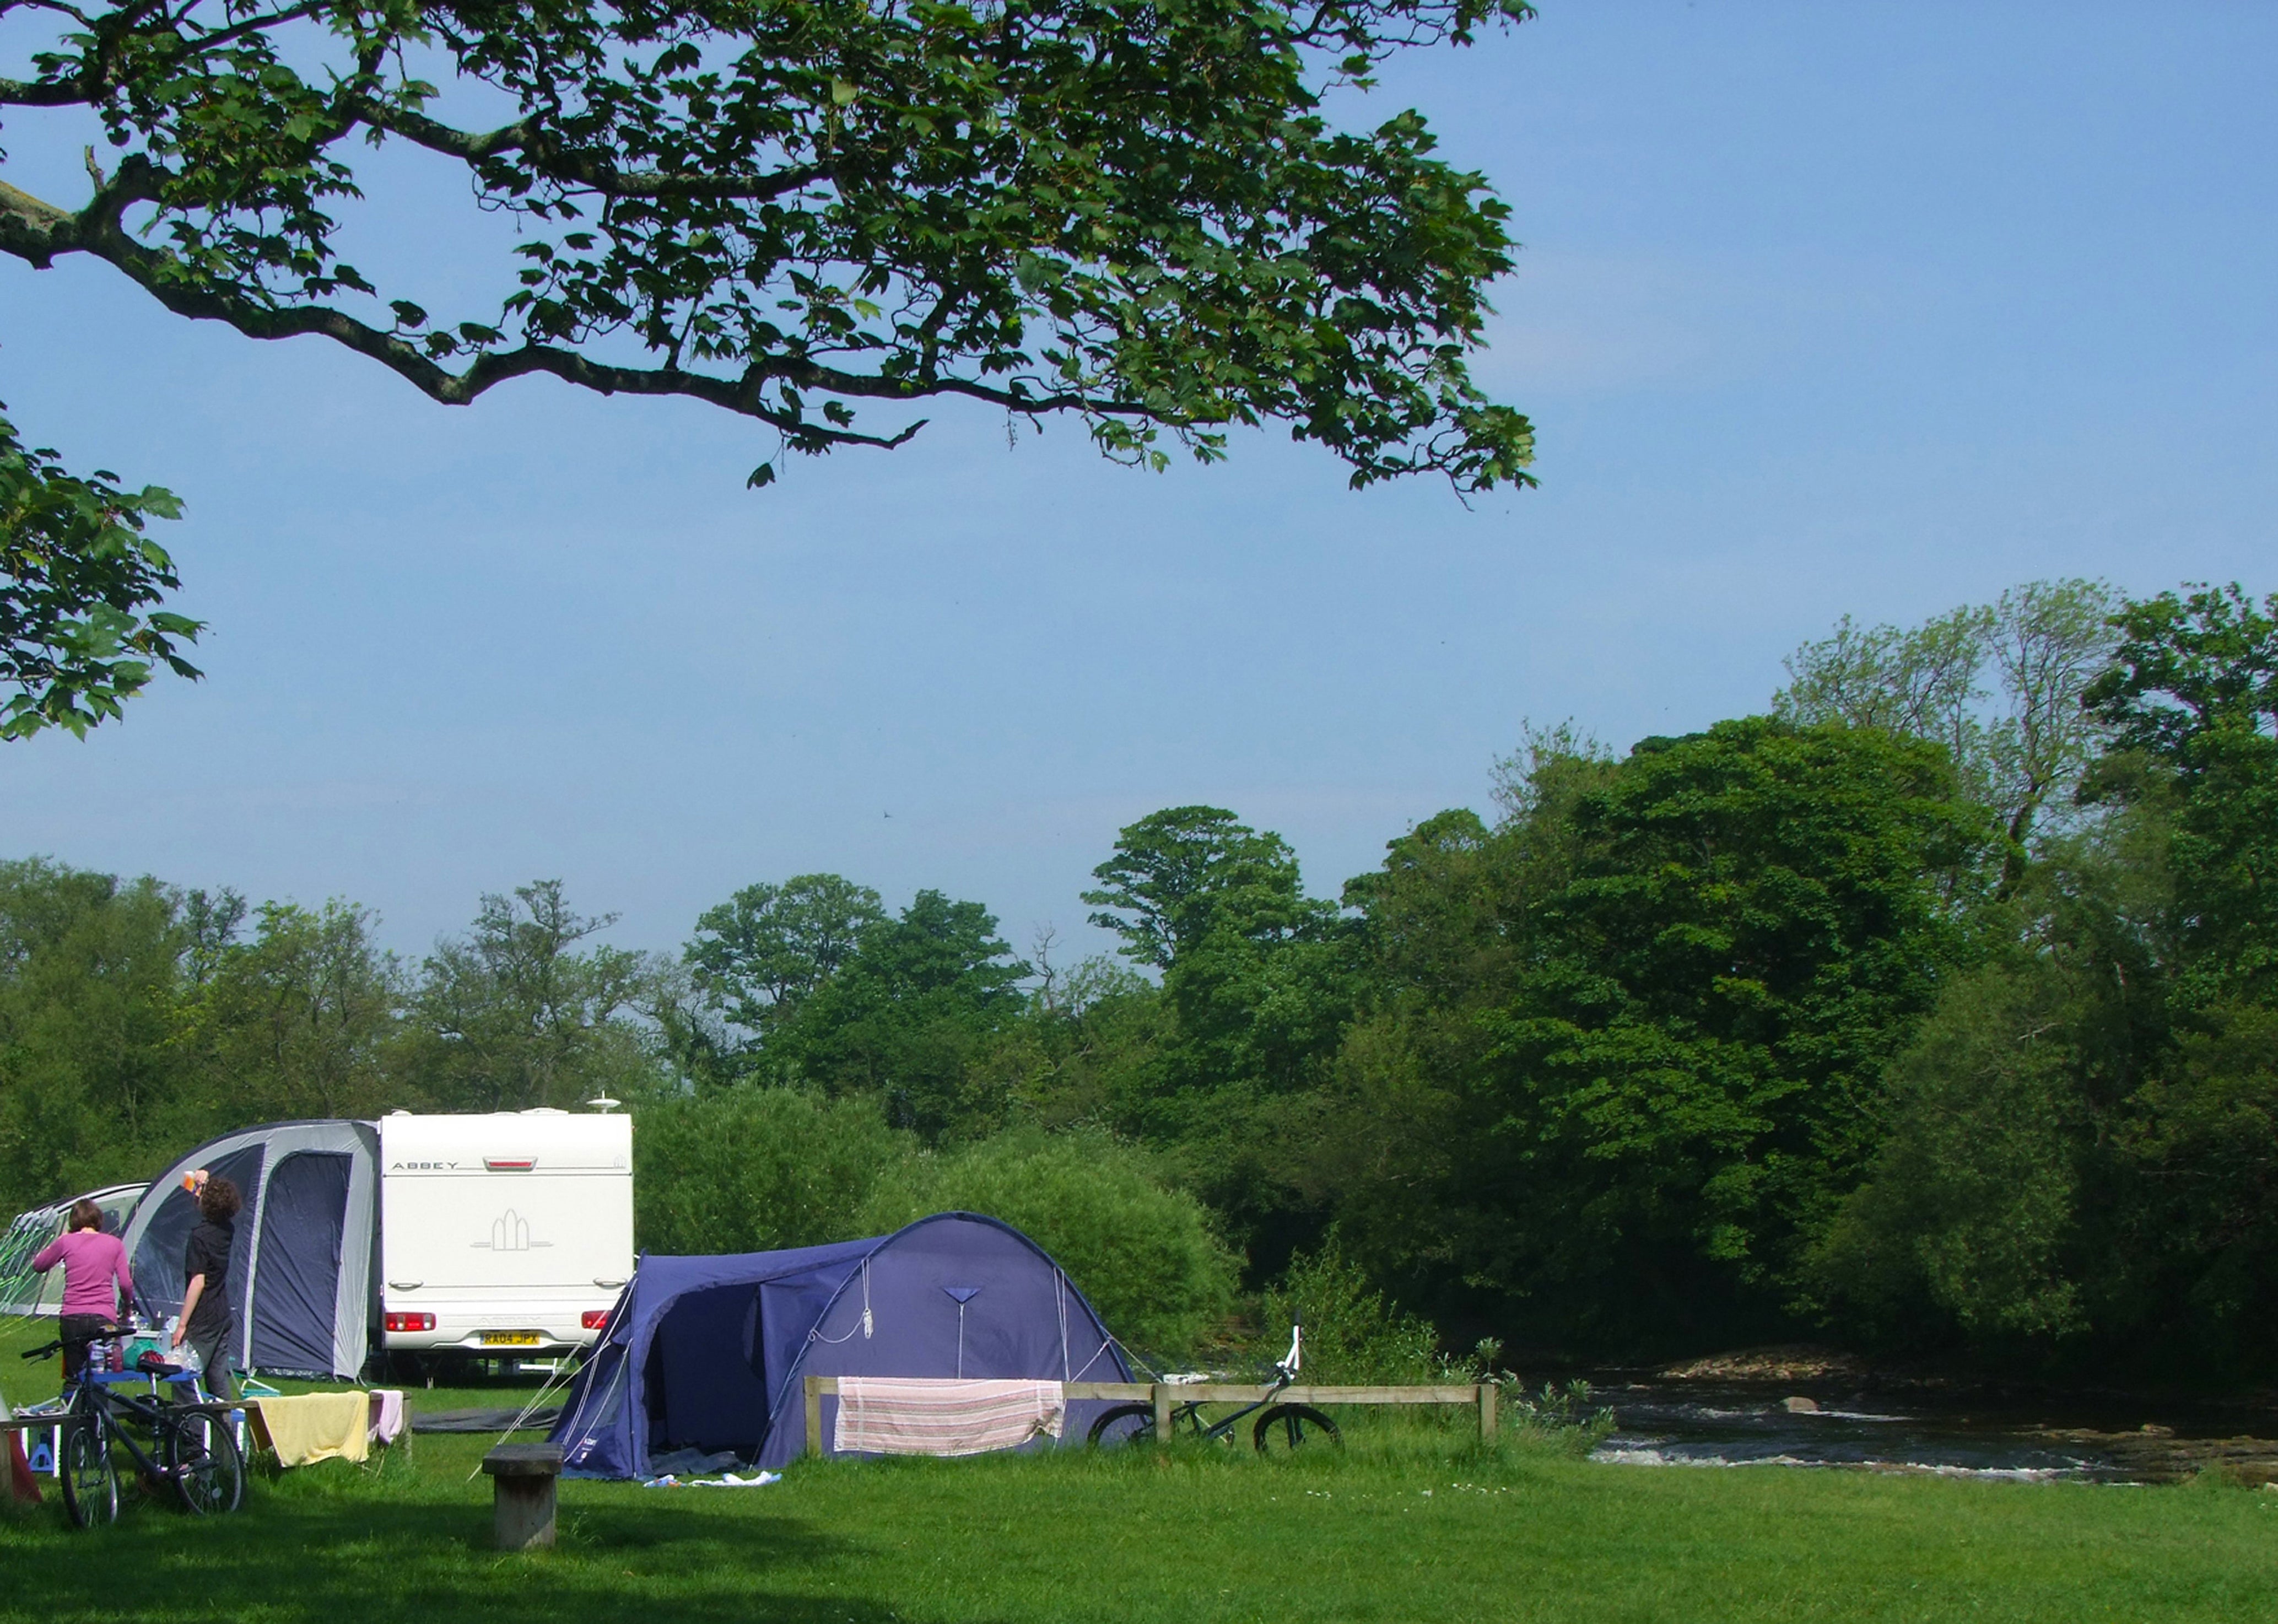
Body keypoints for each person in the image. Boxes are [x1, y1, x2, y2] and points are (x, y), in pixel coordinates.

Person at [29, 1199, 135, 1385]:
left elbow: (39, 1265)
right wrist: (127, 1307)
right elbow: (126, 1284)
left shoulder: (66, 1242)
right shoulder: (115, 1244)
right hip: (104, 1316)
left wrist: (60, 1242)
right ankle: (98, 1413)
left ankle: (72, 1409)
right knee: (101, 1376)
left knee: (74, 1375)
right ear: (98, 1220)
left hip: (73, 1316)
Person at [170, 1175, 239, 1401]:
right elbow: (214, 1200)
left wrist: (182, 1325)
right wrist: (204, 1182)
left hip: (203, 1318)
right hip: (222, 1314)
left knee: (184, 1379)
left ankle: (192, 1433)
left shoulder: (199, 1236)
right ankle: (225, 1432)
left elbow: (198, 1282)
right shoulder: (227, 1229)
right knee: (217, 1379)